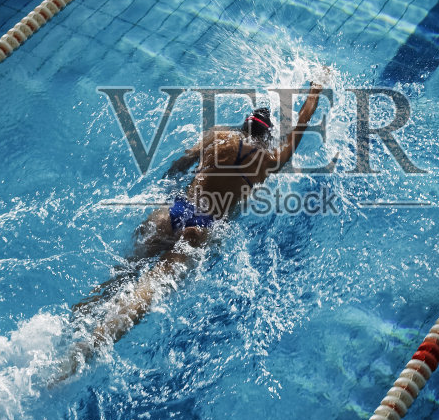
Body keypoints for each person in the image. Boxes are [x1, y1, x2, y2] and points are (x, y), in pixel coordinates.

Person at [53, 83, 325, 382]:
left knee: (123, 275)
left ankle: (70, 323)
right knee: (145, 293)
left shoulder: (217, 136)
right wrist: (316, 88)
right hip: (201, 227)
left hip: (171, 213)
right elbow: (302, 122)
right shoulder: (271, 161)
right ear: (266, 137)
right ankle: (89, 348)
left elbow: (179, 165)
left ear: (244, 125)